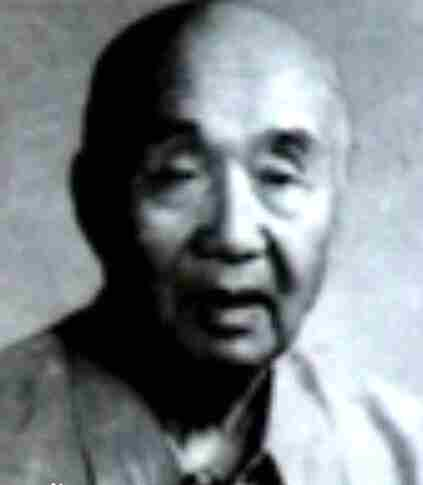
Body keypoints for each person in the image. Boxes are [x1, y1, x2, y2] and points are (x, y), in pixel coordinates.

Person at [1, 1, 422, 484]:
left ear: (338, 198)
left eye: (279, 177)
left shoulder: (400, 457)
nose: (234, 236)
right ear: (93, 199)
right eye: (178, 175)